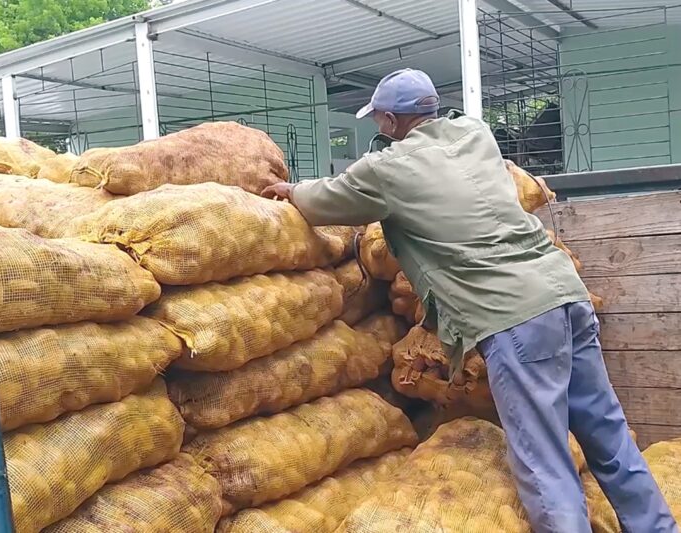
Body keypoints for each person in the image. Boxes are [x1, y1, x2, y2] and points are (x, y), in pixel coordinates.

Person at [261, 69, 677, 533]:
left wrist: (293, 191)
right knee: (609, 435)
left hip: (513, 315)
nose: (379, 127)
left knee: (543, 461)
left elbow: (328, 200)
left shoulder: (390, 169)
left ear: (393, 120)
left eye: (379, 118)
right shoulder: (475, 135)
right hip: (564, 295)